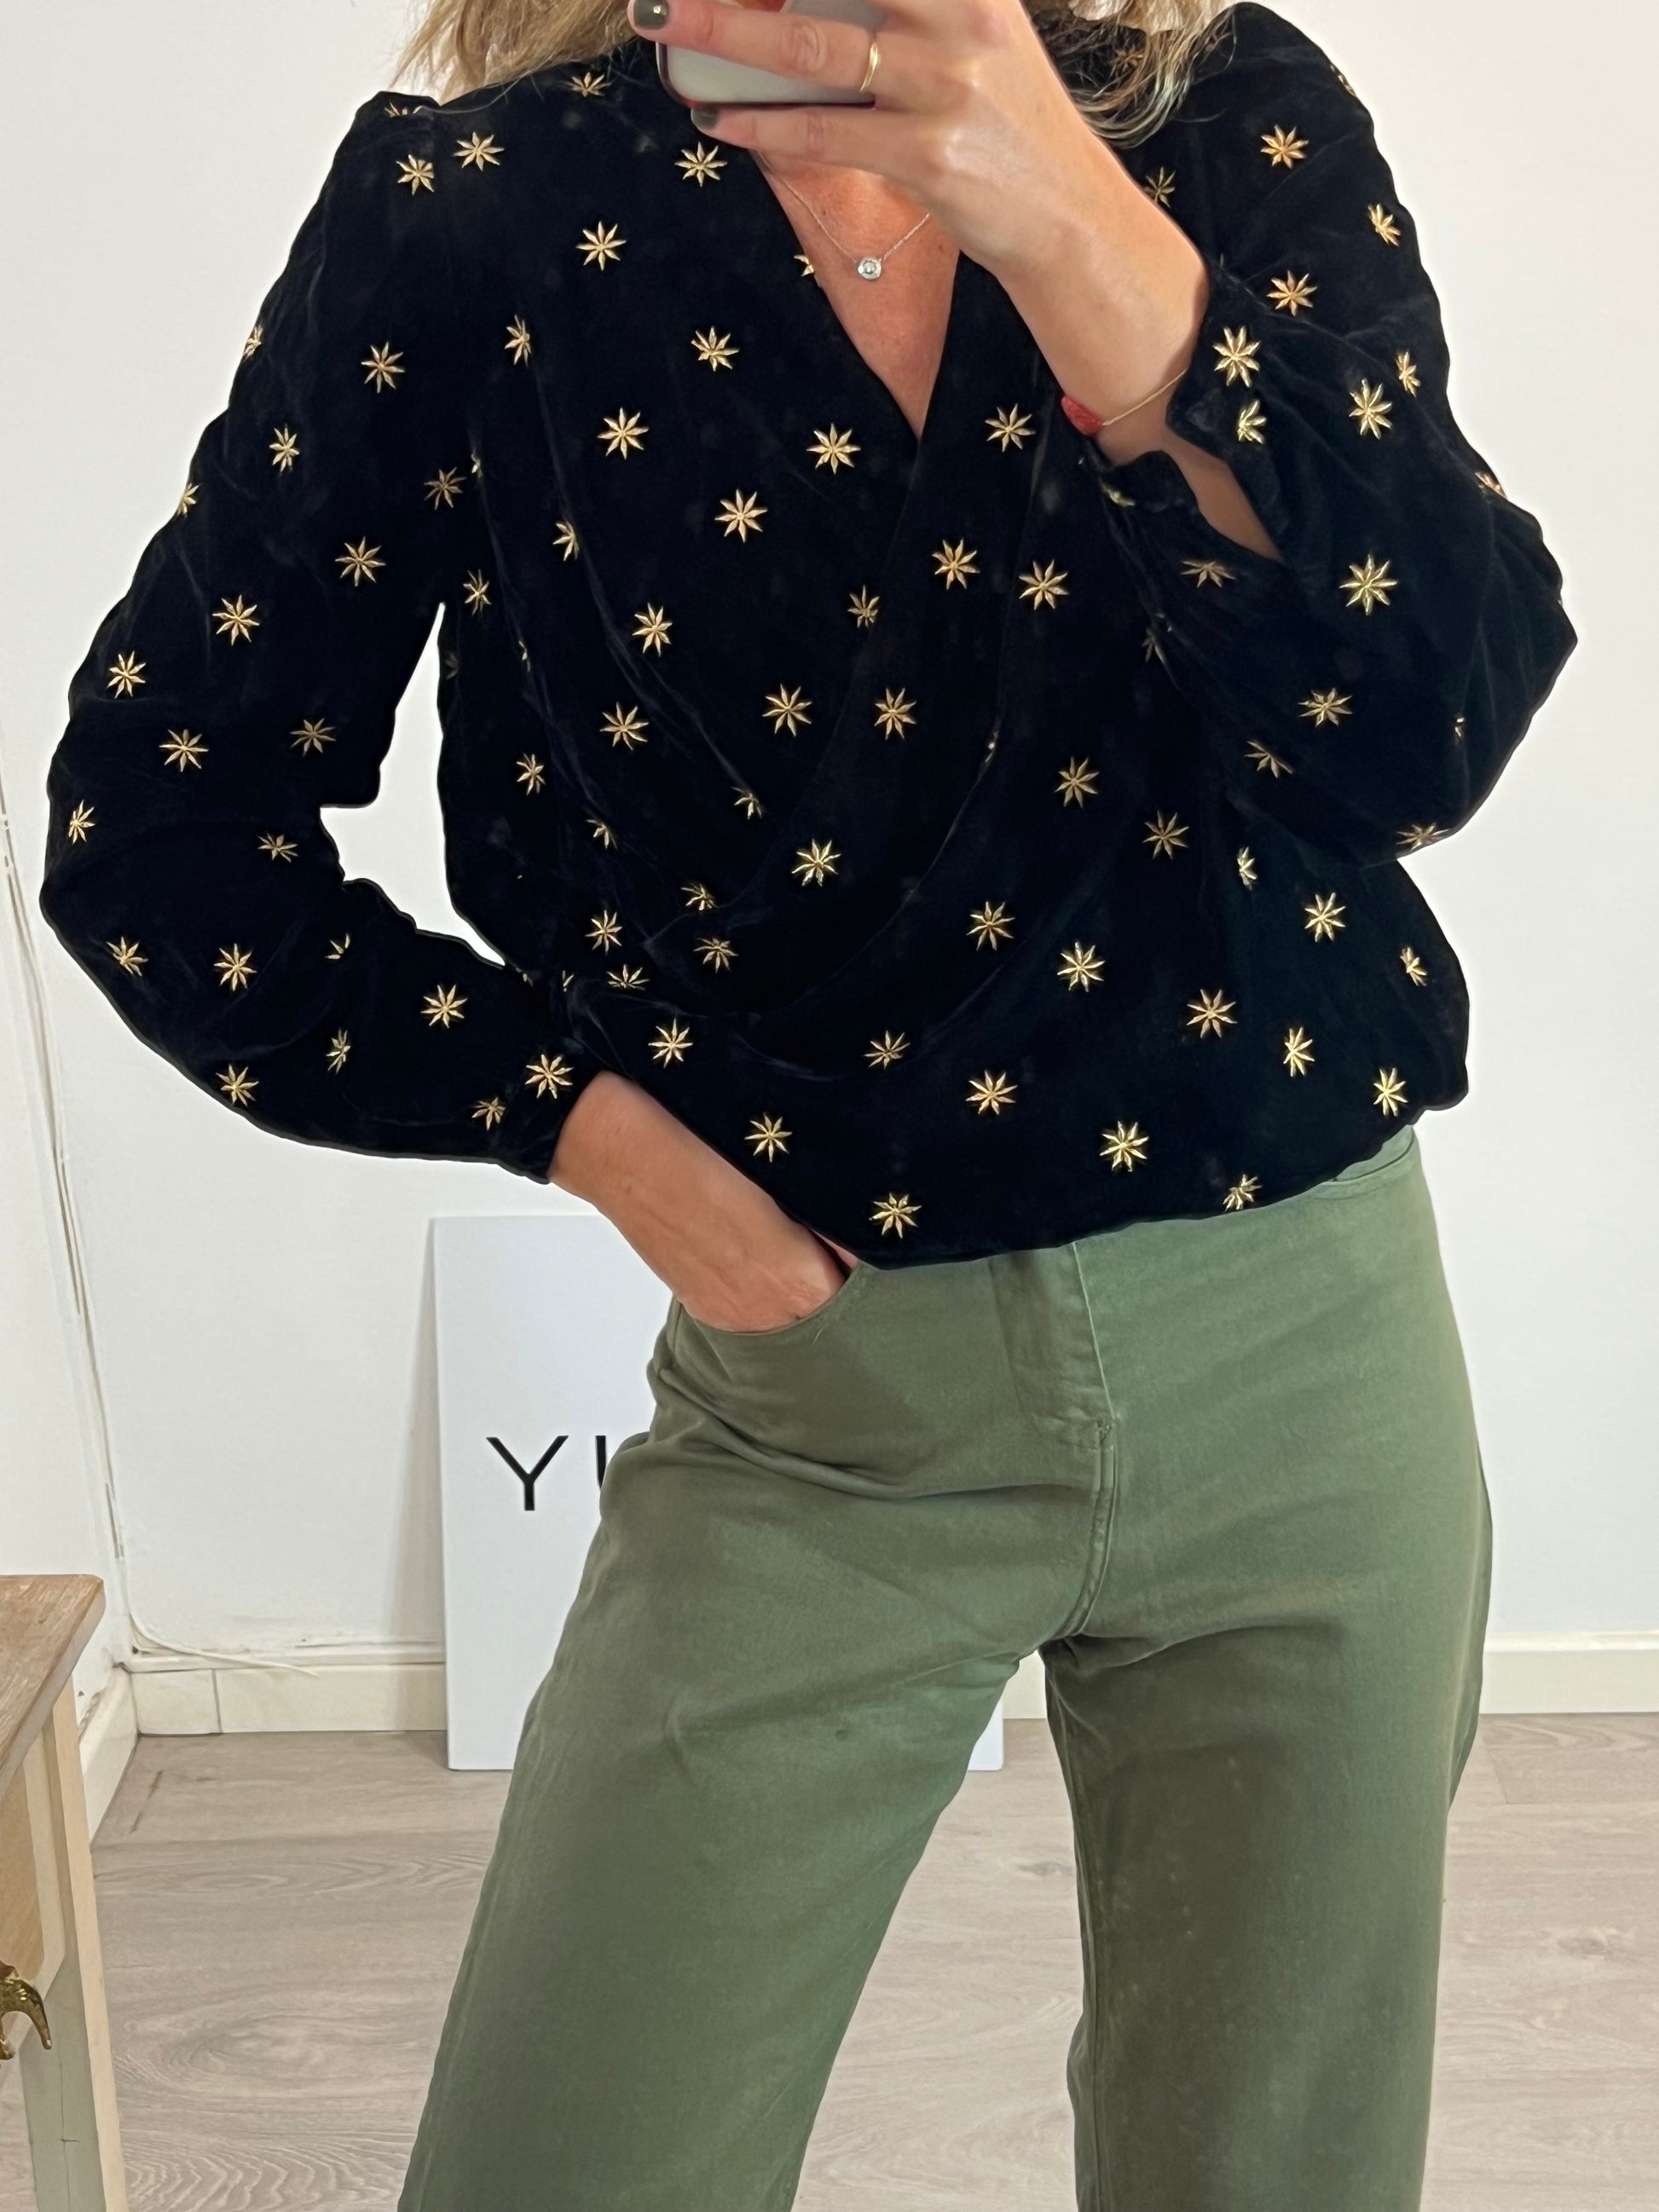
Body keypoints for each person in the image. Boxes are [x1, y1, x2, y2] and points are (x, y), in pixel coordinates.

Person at [37, 0, 1575, 2203]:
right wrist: (581, 1125)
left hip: (1311, 1373)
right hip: (821, 1414)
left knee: (1280, 2172)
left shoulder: (1224, 125)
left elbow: (1433, 721)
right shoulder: (480, 223)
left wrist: (1081, 233)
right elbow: (160, 826)